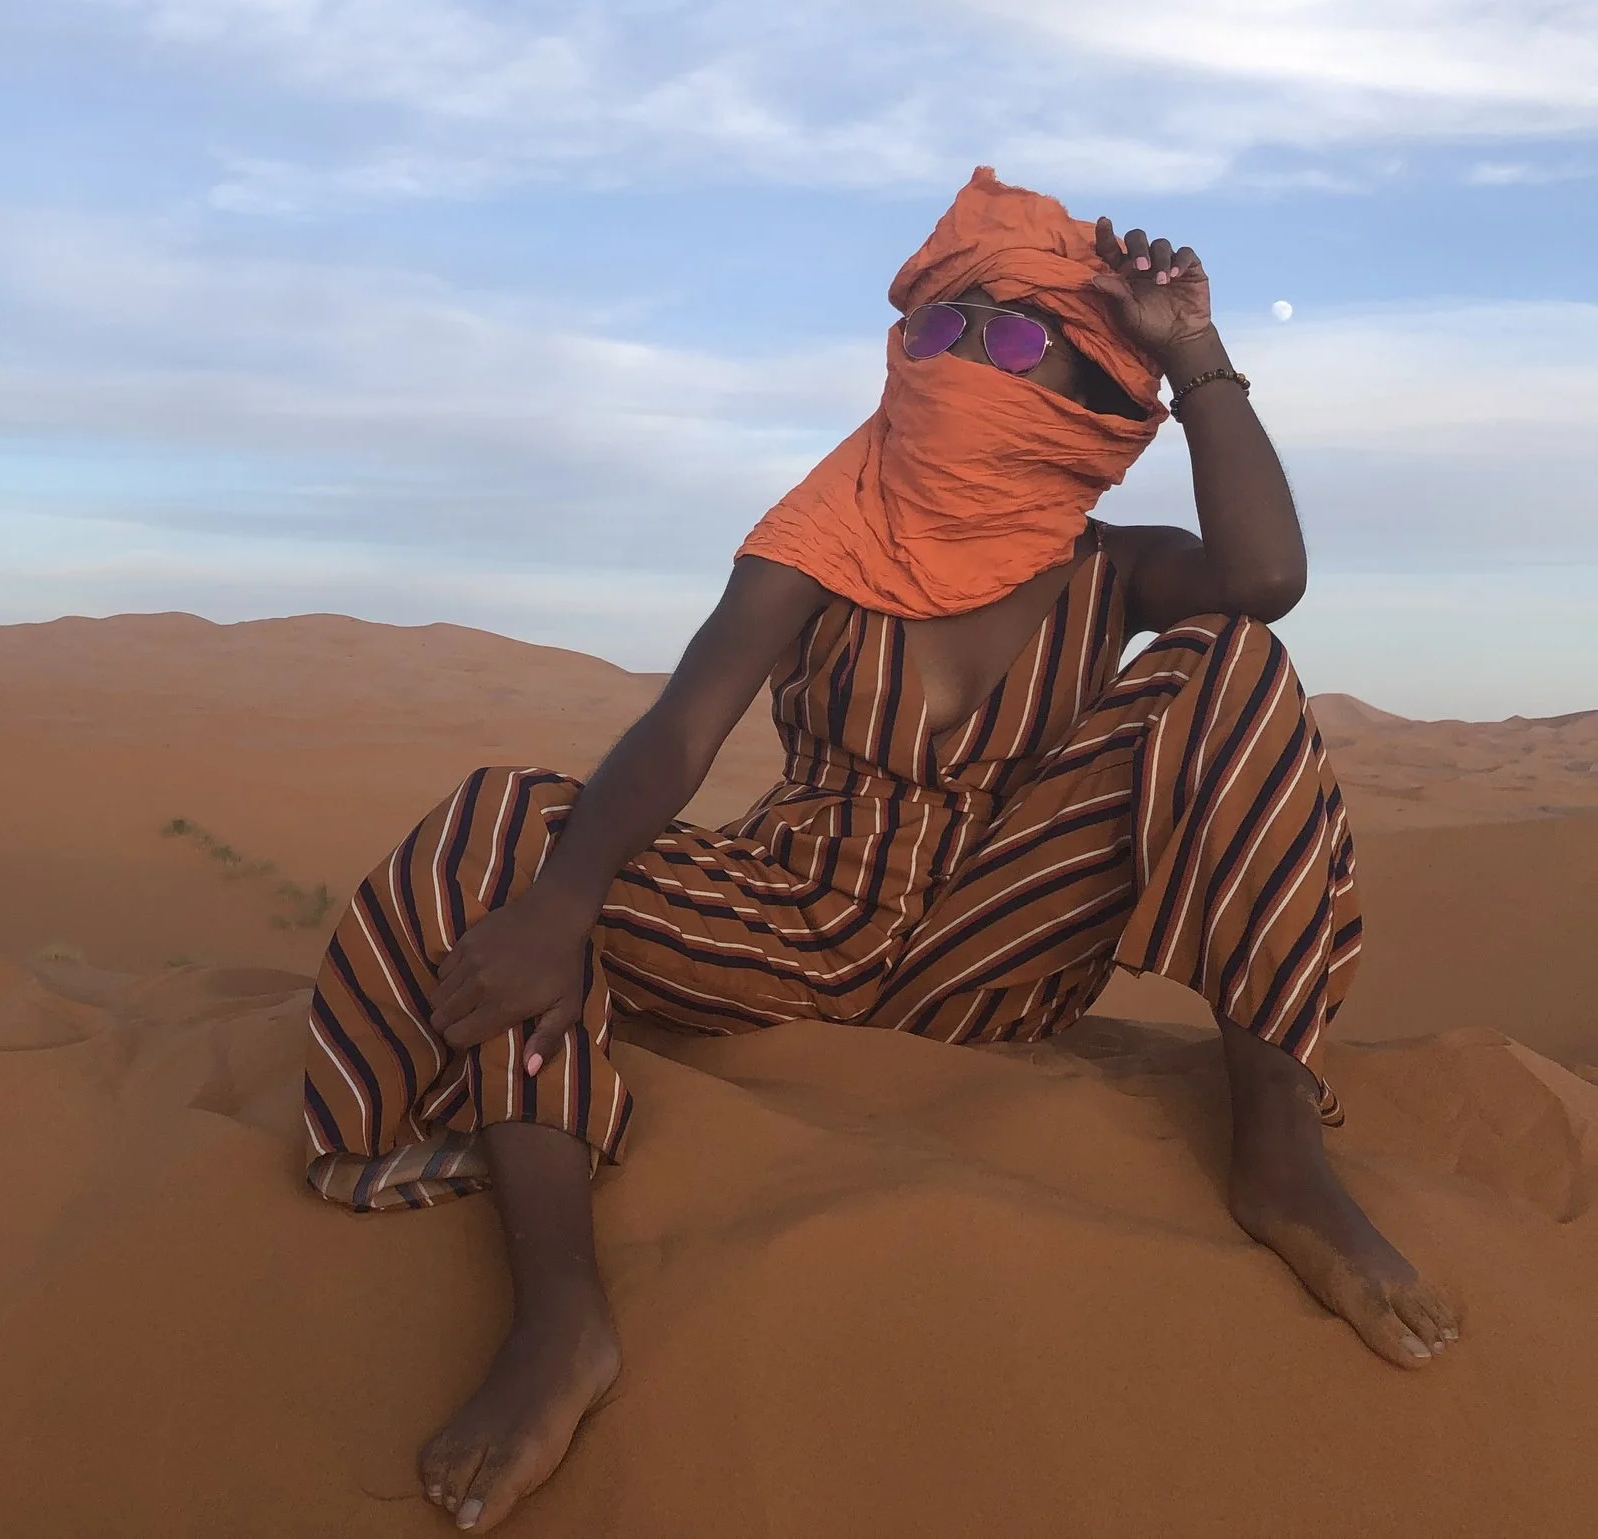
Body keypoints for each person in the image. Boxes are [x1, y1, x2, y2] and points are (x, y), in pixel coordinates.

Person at [298, 169, 1459, 1534]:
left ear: (1097, 394)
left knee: (1240, 666)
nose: (960, 361)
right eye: (939, 330)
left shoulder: (1115, 570)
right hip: (786, 918)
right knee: (511, 831)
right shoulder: (821, 544)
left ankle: (1278, 1157)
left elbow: (1266, 575)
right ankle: (561, 1314)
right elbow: (675, 738)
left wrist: (1197, 354)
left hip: (998, 951)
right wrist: (565, 899)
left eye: (1011, 338)